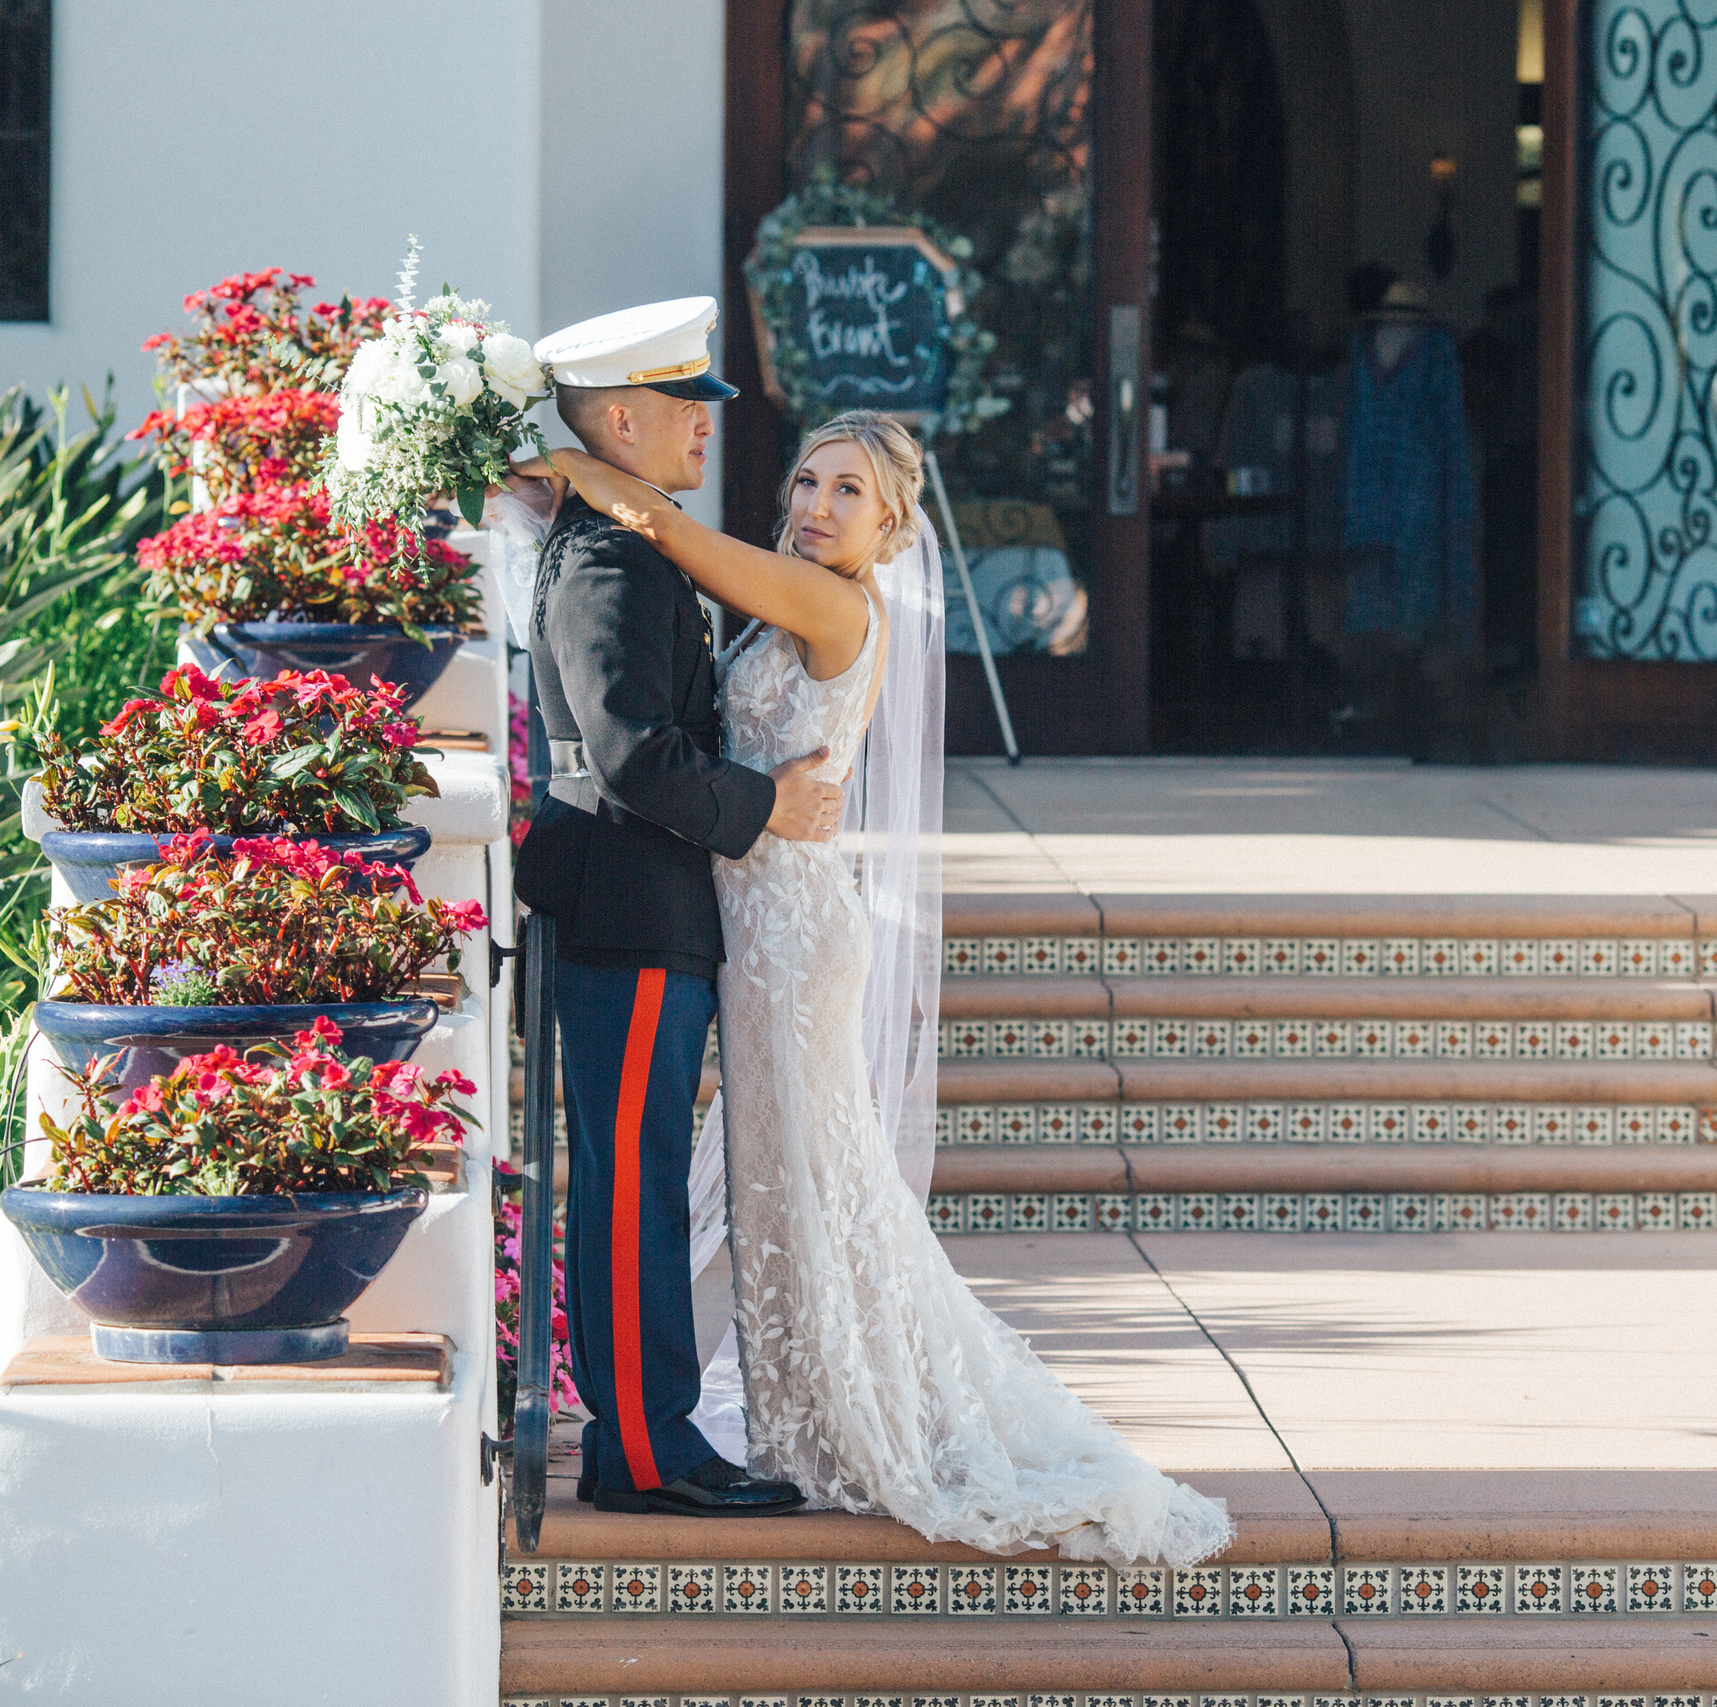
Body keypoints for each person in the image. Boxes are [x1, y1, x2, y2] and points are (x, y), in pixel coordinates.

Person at [514, 411, 1235, 1569]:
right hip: (732, 916)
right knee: (775, 1181)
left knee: (817, 1170)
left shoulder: (837, 604)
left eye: (849, 492)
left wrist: (588, 472)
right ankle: (790, 1417)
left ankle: (862, 1414)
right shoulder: (783, 591)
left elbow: (669, 538)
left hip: (788, 933)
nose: (815, 505)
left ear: (892, 523)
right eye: (805, 480)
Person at [511, 297, 841, 1520]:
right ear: (623, 421)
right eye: (685, 411)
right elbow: (636, 757)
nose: (705, 432)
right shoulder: (610, 563)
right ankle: (644, 1450)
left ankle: (643, 1438)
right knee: (629, 1185)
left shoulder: (625, 550)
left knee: (634, 1178)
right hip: (629, 907)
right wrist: (769, 807)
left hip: (634, 904)